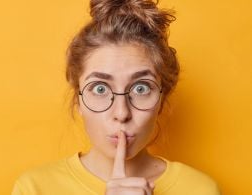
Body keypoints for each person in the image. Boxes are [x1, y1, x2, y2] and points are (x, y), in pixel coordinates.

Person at [12, 0, 221, 194]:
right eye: (100, 89)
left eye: (141, 88)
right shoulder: (34, 188)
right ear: (78, 100)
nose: (121, 113)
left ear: (162, 100)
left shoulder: (200, 189)